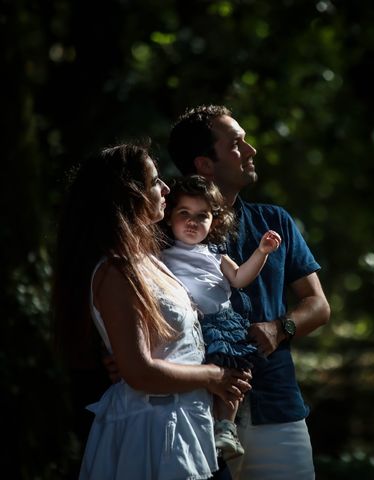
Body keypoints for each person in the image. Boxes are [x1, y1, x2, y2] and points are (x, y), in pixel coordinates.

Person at [51, 143, 252, 480]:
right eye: (155, 181)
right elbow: (139, 372)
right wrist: (215, 377)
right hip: (153, 433)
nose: (166, 189)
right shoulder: (116, 271)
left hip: (186, 423)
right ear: (130, 194)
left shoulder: (150, 259)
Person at [168, 105, 331, 479]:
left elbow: (318, 305)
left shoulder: (274, 222)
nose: (251, 151)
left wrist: (280, 327)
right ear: (205, 165)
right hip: (191, 411)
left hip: (276, 406)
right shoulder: (161, 230)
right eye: (237, 144)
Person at [161, 174, 282, 461]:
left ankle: (226, 426)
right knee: (204, 379)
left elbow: (240, 278)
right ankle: (209, 428)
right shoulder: (161, 256)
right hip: (188, 328)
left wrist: (262, 252)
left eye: (202, 216)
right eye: (184, 213)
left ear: (214, 222)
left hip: (222, 322)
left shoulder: (216, 255)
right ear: (168, 218)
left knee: (237, 370)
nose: (192, 221)